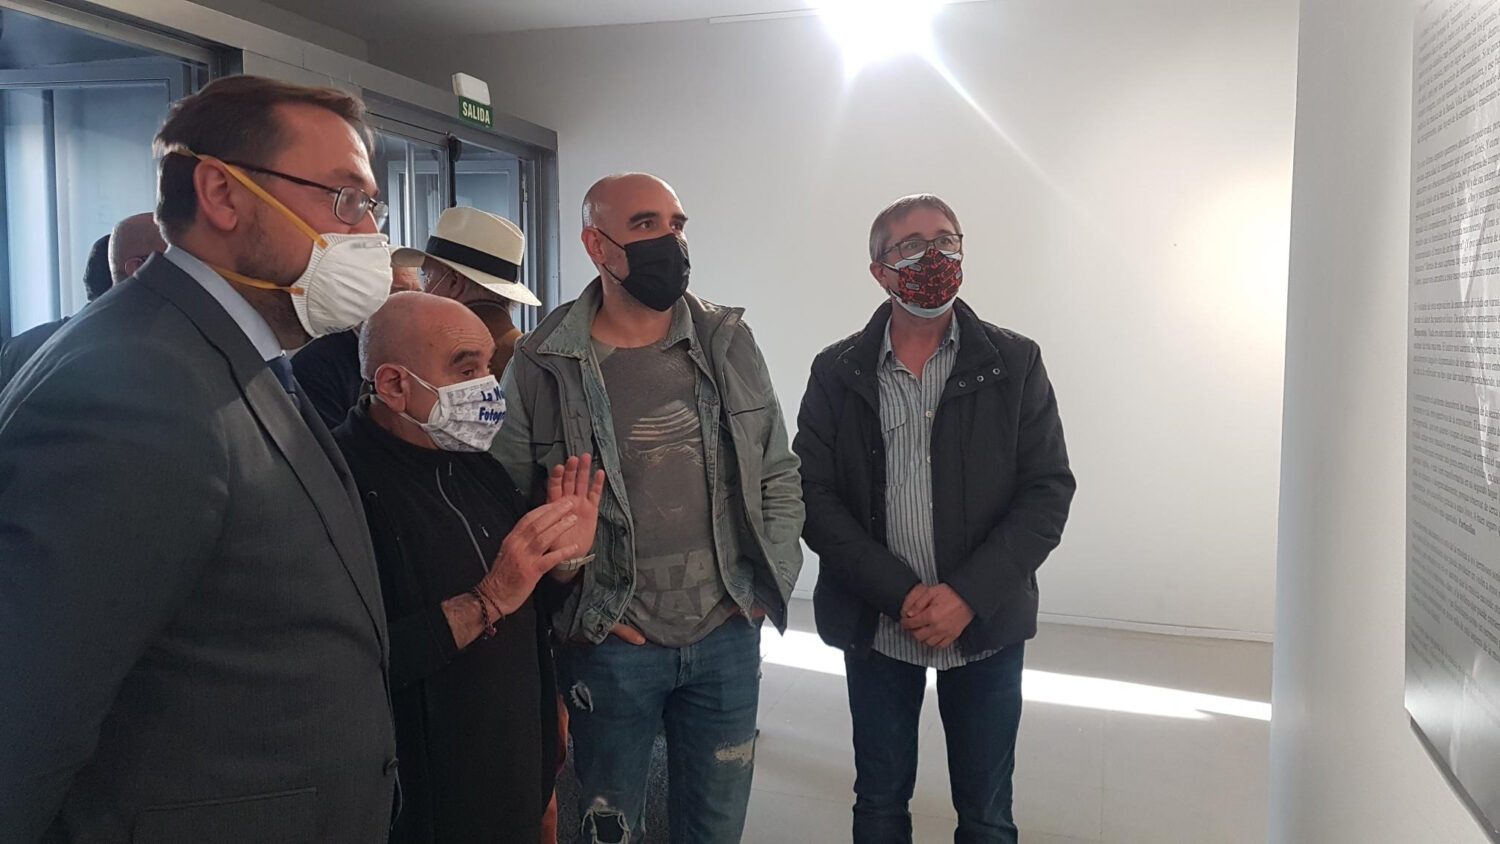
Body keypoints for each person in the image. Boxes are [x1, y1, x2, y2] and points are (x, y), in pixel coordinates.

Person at [0, 75, 400, 842]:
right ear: (222, 193)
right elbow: (27, 721)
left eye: (371, 208)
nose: (368, 236)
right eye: (345, 199)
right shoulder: (136, 386)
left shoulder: (231, 355)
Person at [492, 172, 804, 843]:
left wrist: (759, 590)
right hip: (611, 644)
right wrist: (574, 598)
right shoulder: (543, 363)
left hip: (726, 633)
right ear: (596, 245)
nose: (670, 240)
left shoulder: (727, 340)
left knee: (714, 829)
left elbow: (777, 470)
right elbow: (505, 500)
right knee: (610, 828)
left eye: (677, 224)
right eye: (645, 225)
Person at [793, 194, 1076, 844]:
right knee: (880, 802)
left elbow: (1046, 491)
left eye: (948, 240)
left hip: (984, 624)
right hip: (877, 623)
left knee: (986, 813)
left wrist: (967, 596)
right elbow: (812, 493)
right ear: (879, 271)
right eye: (913, 246)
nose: (936, 256)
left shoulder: (1015, 362)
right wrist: (900, 595)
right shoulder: (837, 370)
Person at [333, 291, 604, 842]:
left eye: (488, 366)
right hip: (425, 804)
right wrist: (486, 600)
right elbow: (351, 666)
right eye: (466, 369)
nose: (488, 386)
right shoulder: (339, 486)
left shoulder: (475, 464)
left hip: (515, 773)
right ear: (394, 384)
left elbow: (527, 606)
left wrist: (562, 562)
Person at [394, 206, 540, 380]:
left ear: (455, 282)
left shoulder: (438, 355)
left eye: (427, 276)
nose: (423, 289)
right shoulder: (530, 356)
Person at [293, 265, 421, 429]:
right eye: (397, 295)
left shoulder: (421, 354)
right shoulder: (315, 366)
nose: (413, 308)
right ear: (360, 299)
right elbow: (328, 442)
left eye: (419, 295)